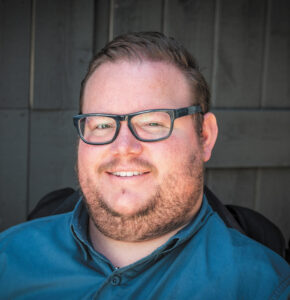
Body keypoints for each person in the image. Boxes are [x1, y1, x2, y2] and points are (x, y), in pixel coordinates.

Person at [0, 32, 289, 299]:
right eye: (101, 124)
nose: (123, 147)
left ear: (205, 137)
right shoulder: (8, 261)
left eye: (152, 122)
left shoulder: (266, 288)